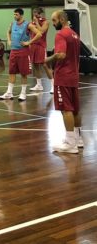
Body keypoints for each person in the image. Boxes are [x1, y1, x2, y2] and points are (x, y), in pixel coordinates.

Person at [45, 10, 83, 154]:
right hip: (74, 76)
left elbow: (61, 55)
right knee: (75, 109)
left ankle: (70, 143)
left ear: (62, 19)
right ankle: (78, 140)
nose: (53, 24)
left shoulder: (61, 34)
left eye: (54, 21)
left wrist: (47, 59)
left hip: (63, 77)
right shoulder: (75, 35)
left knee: (66, 109)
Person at [0, 8, 42, 102]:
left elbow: (39, 34)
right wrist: (9, 40)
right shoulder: (13, 23)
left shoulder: (28, 25)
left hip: (23, 51)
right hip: (13, 51)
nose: (15, 16)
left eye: (16, 15)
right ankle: (9, 93)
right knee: (11, 72)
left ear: (21, 15)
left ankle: (23, 93)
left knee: (23, 73)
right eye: (14, 14)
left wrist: (29, 42)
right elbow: (8, 31)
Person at [29, 7, 54, 93]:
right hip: (33, 46)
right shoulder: (31, 23)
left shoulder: (46, 22)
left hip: (41, 46)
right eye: (34, 13)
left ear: (40, 14)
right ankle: (39, 85)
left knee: (44, 65)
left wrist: (36, 22)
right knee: (35, 65)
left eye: (36, 13)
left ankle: (53, 85)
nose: (35, 14)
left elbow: (41, 32)